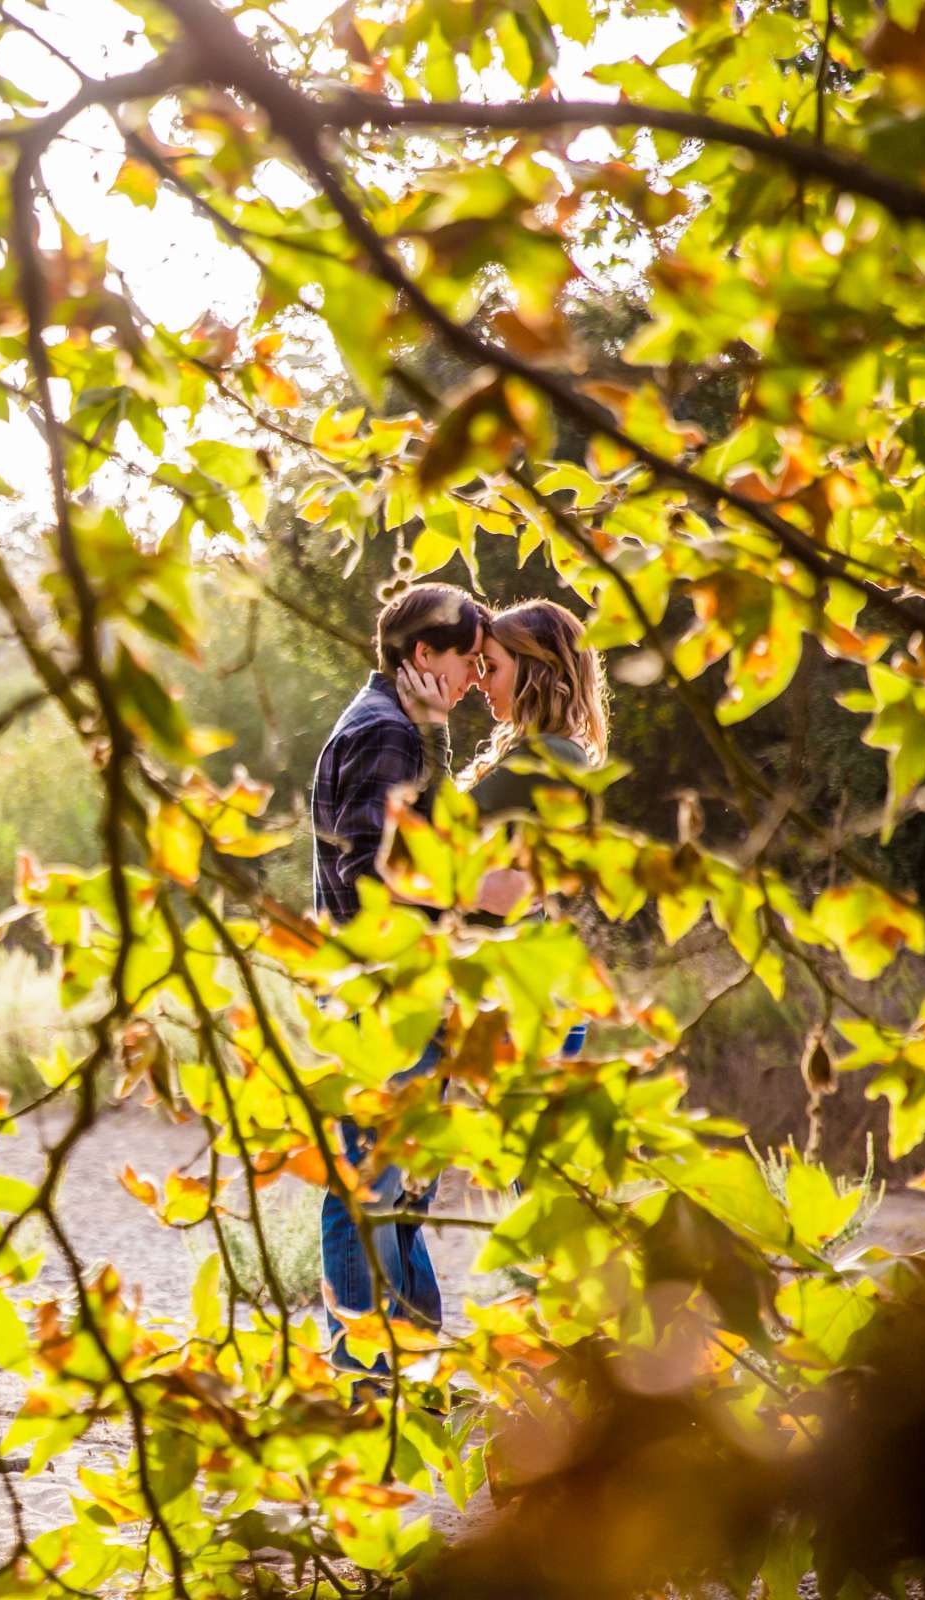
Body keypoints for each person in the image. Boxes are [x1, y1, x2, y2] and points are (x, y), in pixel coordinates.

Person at [307, 581, 496, 1374]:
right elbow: (375, 878)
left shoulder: (394, 728)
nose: (474, 679)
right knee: (371, 1194)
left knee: (402, 1194)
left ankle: (407, 1374)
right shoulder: (386, 735)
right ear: (425, 655)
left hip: (388, 999)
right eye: (467, 661)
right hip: (384, 1004)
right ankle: (366, 1377)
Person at [461, 597, 610, 1061]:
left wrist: (425, 722)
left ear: (534, 670)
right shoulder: (546, 750)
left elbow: (442, 827)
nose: (480, 683)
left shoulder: (552, 755)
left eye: (491, 667)